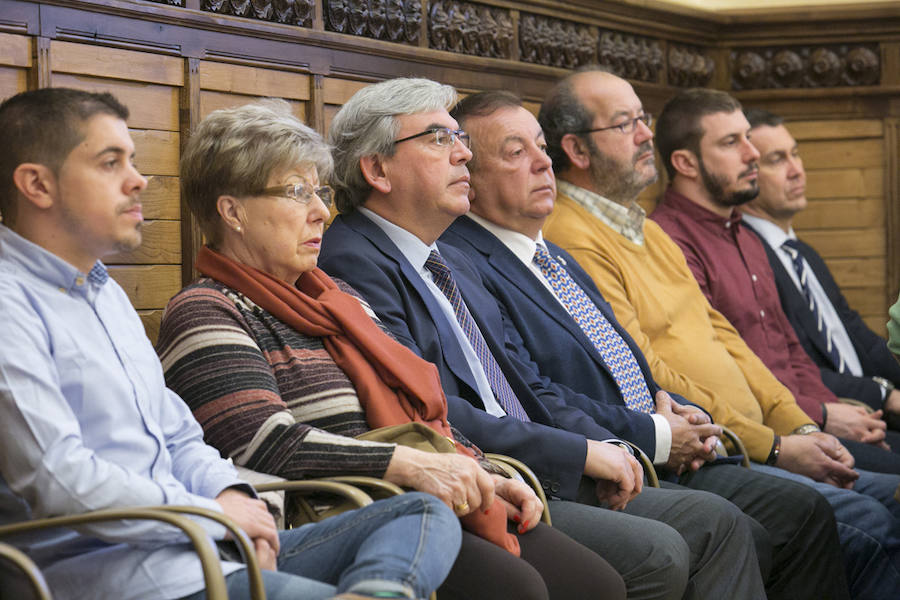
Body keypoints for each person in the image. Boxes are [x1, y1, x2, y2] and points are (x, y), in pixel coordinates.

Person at [0, 88, 462, 600]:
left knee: (421, 512)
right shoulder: (10, 305)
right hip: (118, 575)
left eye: (131, 160)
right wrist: (213, 515)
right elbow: (56, 477)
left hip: (209, 544)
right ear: (37, 184)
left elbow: (177, 436)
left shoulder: (103, 292)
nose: (139, 179)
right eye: (111, 163)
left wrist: (236, 499)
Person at [155, 99, 626, 600]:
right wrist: (409, 466)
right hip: (345, 511)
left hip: (424, 489)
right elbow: (268, 443)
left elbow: (422, 406)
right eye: (297, 193)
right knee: (520, 590)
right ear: (233, 212)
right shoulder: (206, 309)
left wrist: (480, 468)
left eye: (321, 191)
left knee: (597, 584)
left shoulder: (338, 297)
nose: (320, 211)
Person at [319, 76, 769, 600]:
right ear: (377, 169)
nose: (463, 154)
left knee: (730, 525)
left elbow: (530, 387)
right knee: (685, 538)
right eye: (440, 139)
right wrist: (582, 453)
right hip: (487, 475)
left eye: (460, 139)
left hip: (542, 462)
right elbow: (434, 409)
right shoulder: (352, 258)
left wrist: (606, 446)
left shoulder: (452, 258)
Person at [441, 89, 849, 600]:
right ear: (467, 177)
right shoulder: (466, 264)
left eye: (542, 147)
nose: (544, 163)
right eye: (516, 152)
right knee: (763, 520)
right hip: (604, 459)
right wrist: (655, 433)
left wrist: (684, 412)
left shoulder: (556, 256)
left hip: (664, 441)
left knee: (806, 515)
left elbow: (633, 359)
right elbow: (533, 390)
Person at [539, 67, 900, 599]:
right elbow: (642, 368)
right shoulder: (572, 236)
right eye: (625, 124)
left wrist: (798, 429)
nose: (645, 135)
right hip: (712, 446)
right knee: (861, 518)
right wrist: (774, 447)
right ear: (577, 149)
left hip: (754, 438)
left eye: (644, 119)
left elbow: (729, 339)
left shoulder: (646, 228)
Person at [650, 87, 900, 474]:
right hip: (753, 435)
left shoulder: (745, 236)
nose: (751, 154)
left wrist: (821, 418)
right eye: (733, 142)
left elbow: (791, 350)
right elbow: (719, 363)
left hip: (802, 418)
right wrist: (816, 420)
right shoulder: (667, 239)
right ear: (685, 163)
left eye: (748, 139)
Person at [739, 108, 900, 435]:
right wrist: (885, 395)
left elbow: (858, 336)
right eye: (777, 160)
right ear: (746, 174)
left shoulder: (802, 253)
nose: (797, 170)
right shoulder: (748, 257)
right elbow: (788, 366)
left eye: (795, 154)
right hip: (825, 418)